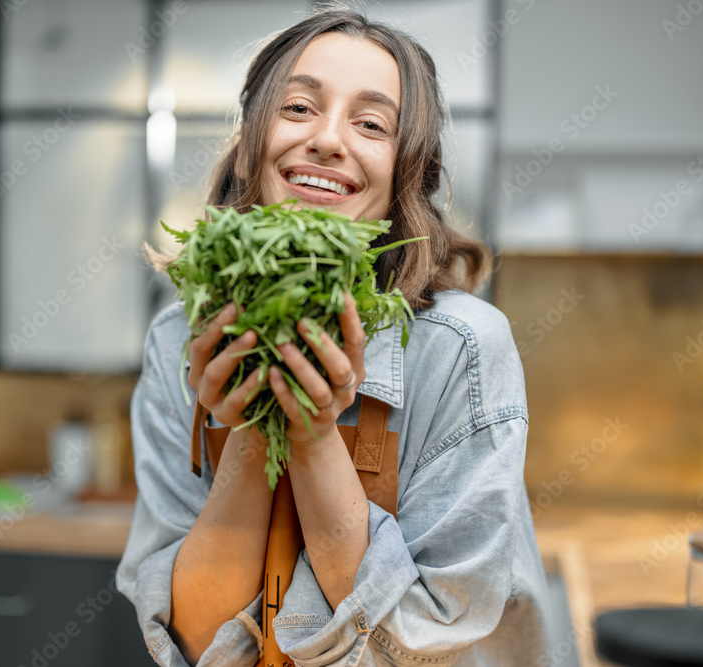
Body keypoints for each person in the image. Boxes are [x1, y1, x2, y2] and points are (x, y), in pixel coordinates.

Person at [117, 7, 553, 666]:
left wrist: (314, 430)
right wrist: (253, 420)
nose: (326, 139)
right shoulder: (179, 336)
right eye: (297, 108)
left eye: (371, 123)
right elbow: (198, 642)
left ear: (406, 172)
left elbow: (424, 643)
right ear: (250, 139)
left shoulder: (460, 348)